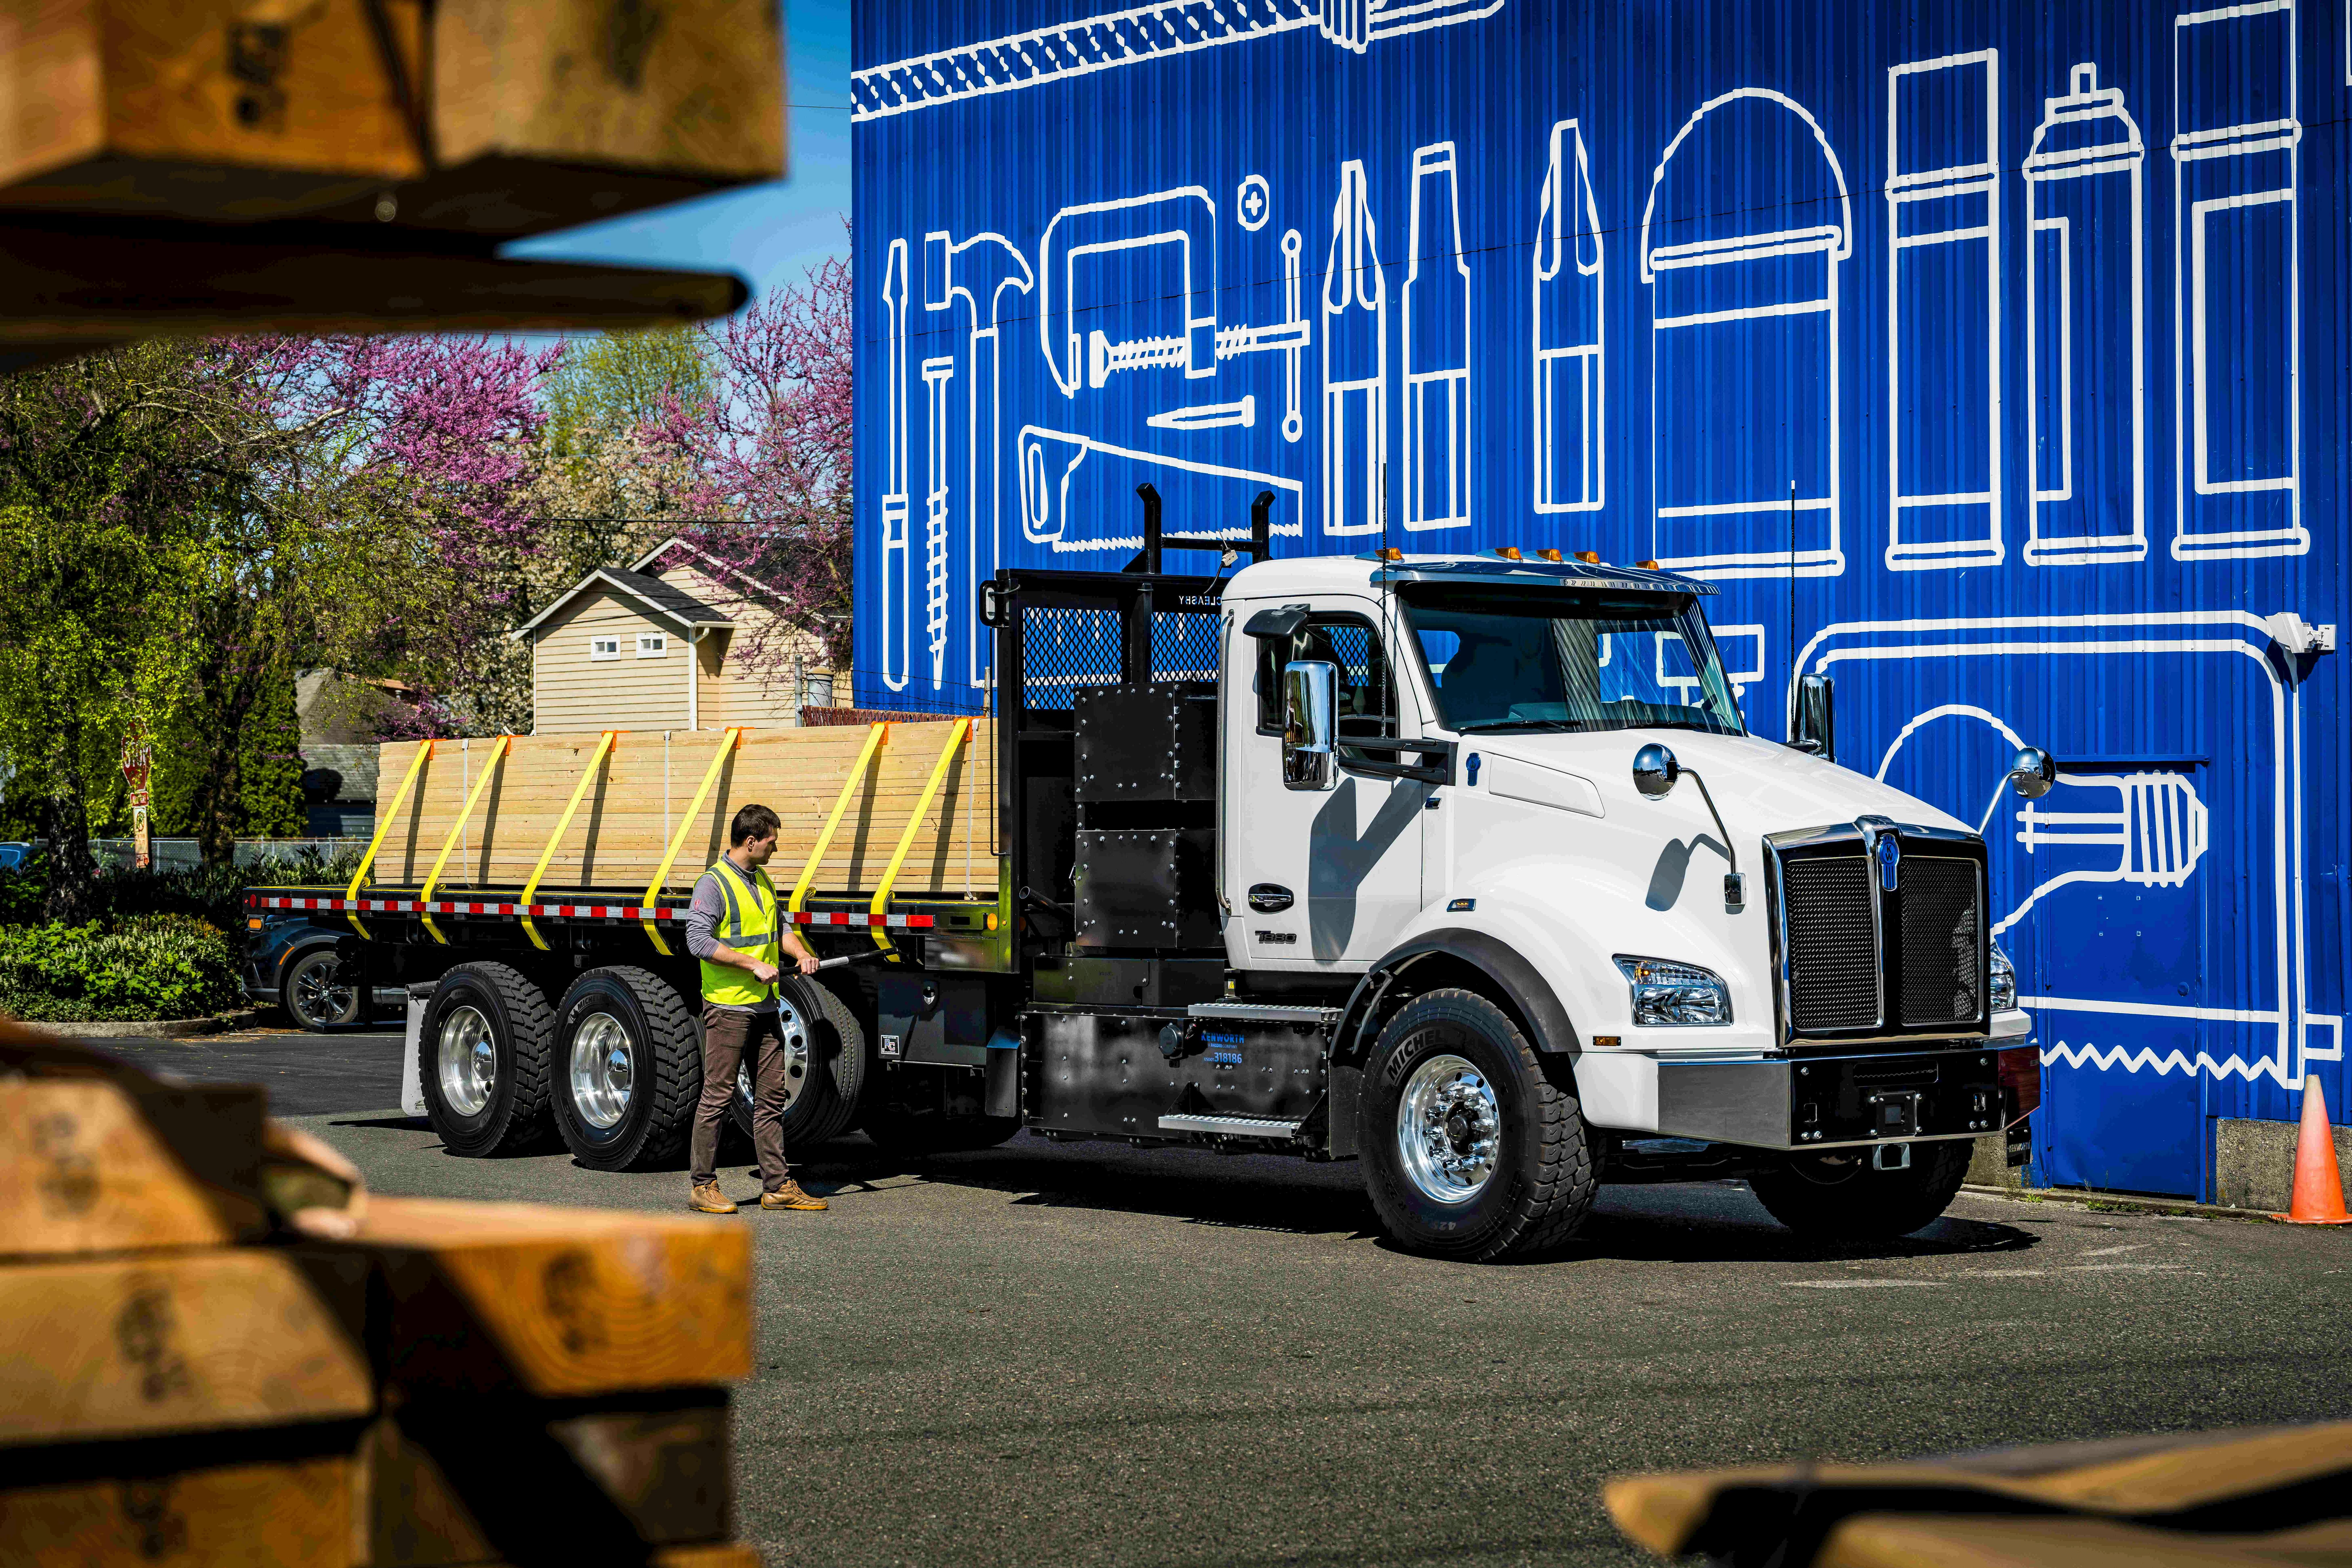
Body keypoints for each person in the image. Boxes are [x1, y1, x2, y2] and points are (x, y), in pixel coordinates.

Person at [684, 803, 827, 1214]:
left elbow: (780, 928)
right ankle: (702, 1185)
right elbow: (699, 942)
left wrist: (801, 953)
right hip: (729, 1007)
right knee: (717, 1096)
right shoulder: (713, 885)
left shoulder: (762, 879)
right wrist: (752, 964)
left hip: (765, 1007)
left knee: (770, 1098)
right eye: (771, 842)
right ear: (751, 841)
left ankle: (778, 1186)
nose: (774, 849)